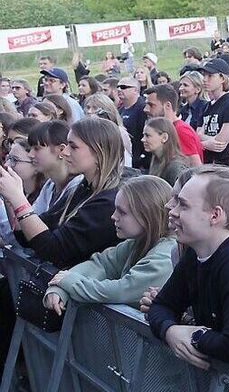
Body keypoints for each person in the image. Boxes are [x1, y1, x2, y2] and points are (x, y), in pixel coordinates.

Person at [147, 166, 229, 368]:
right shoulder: (195, 254)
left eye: (183, 205)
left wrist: (194, 335)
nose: (172, 211)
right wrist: (170, 331)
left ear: (215, 215)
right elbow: (161, 306)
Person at [0, 118, 125, 269]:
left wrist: (18, 199)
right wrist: (13, 199)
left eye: (73, 147)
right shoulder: (84, 188)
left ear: (98, 152)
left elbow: (53, 250)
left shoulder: (107, 202)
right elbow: (30, 238)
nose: (65, 152)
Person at [42, 175, 176, 315]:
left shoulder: (164, 256)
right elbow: (101, 264)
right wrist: (59, 287)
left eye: (122, 212)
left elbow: (122, 290)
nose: (113, 216)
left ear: (148, 216)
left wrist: (69, 282)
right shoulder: (137, 242)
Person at [198, 58, 229, 166]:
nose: (205, 79)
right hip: (208, 163)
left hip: (226, 165)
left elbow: (220, 144)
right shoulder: (206, 106)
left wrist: (202, 140)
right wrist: (206, 143)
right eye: (204, 75)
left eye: (210, 76)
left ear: (222, 78)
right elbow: (197, 134)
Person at [143, 83, 204, 166]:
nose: (145, 109)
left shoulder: (180, 130)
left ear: (168, 105)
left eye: (151, 105)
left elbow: (196, 168)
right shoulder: (170, 128)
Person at [143, 117, 191, 186]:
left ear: (164, 138)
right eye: (144, 135)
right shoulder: (156, 160)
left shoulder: (176, 168)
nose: (143, 139)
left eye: (147, 136)